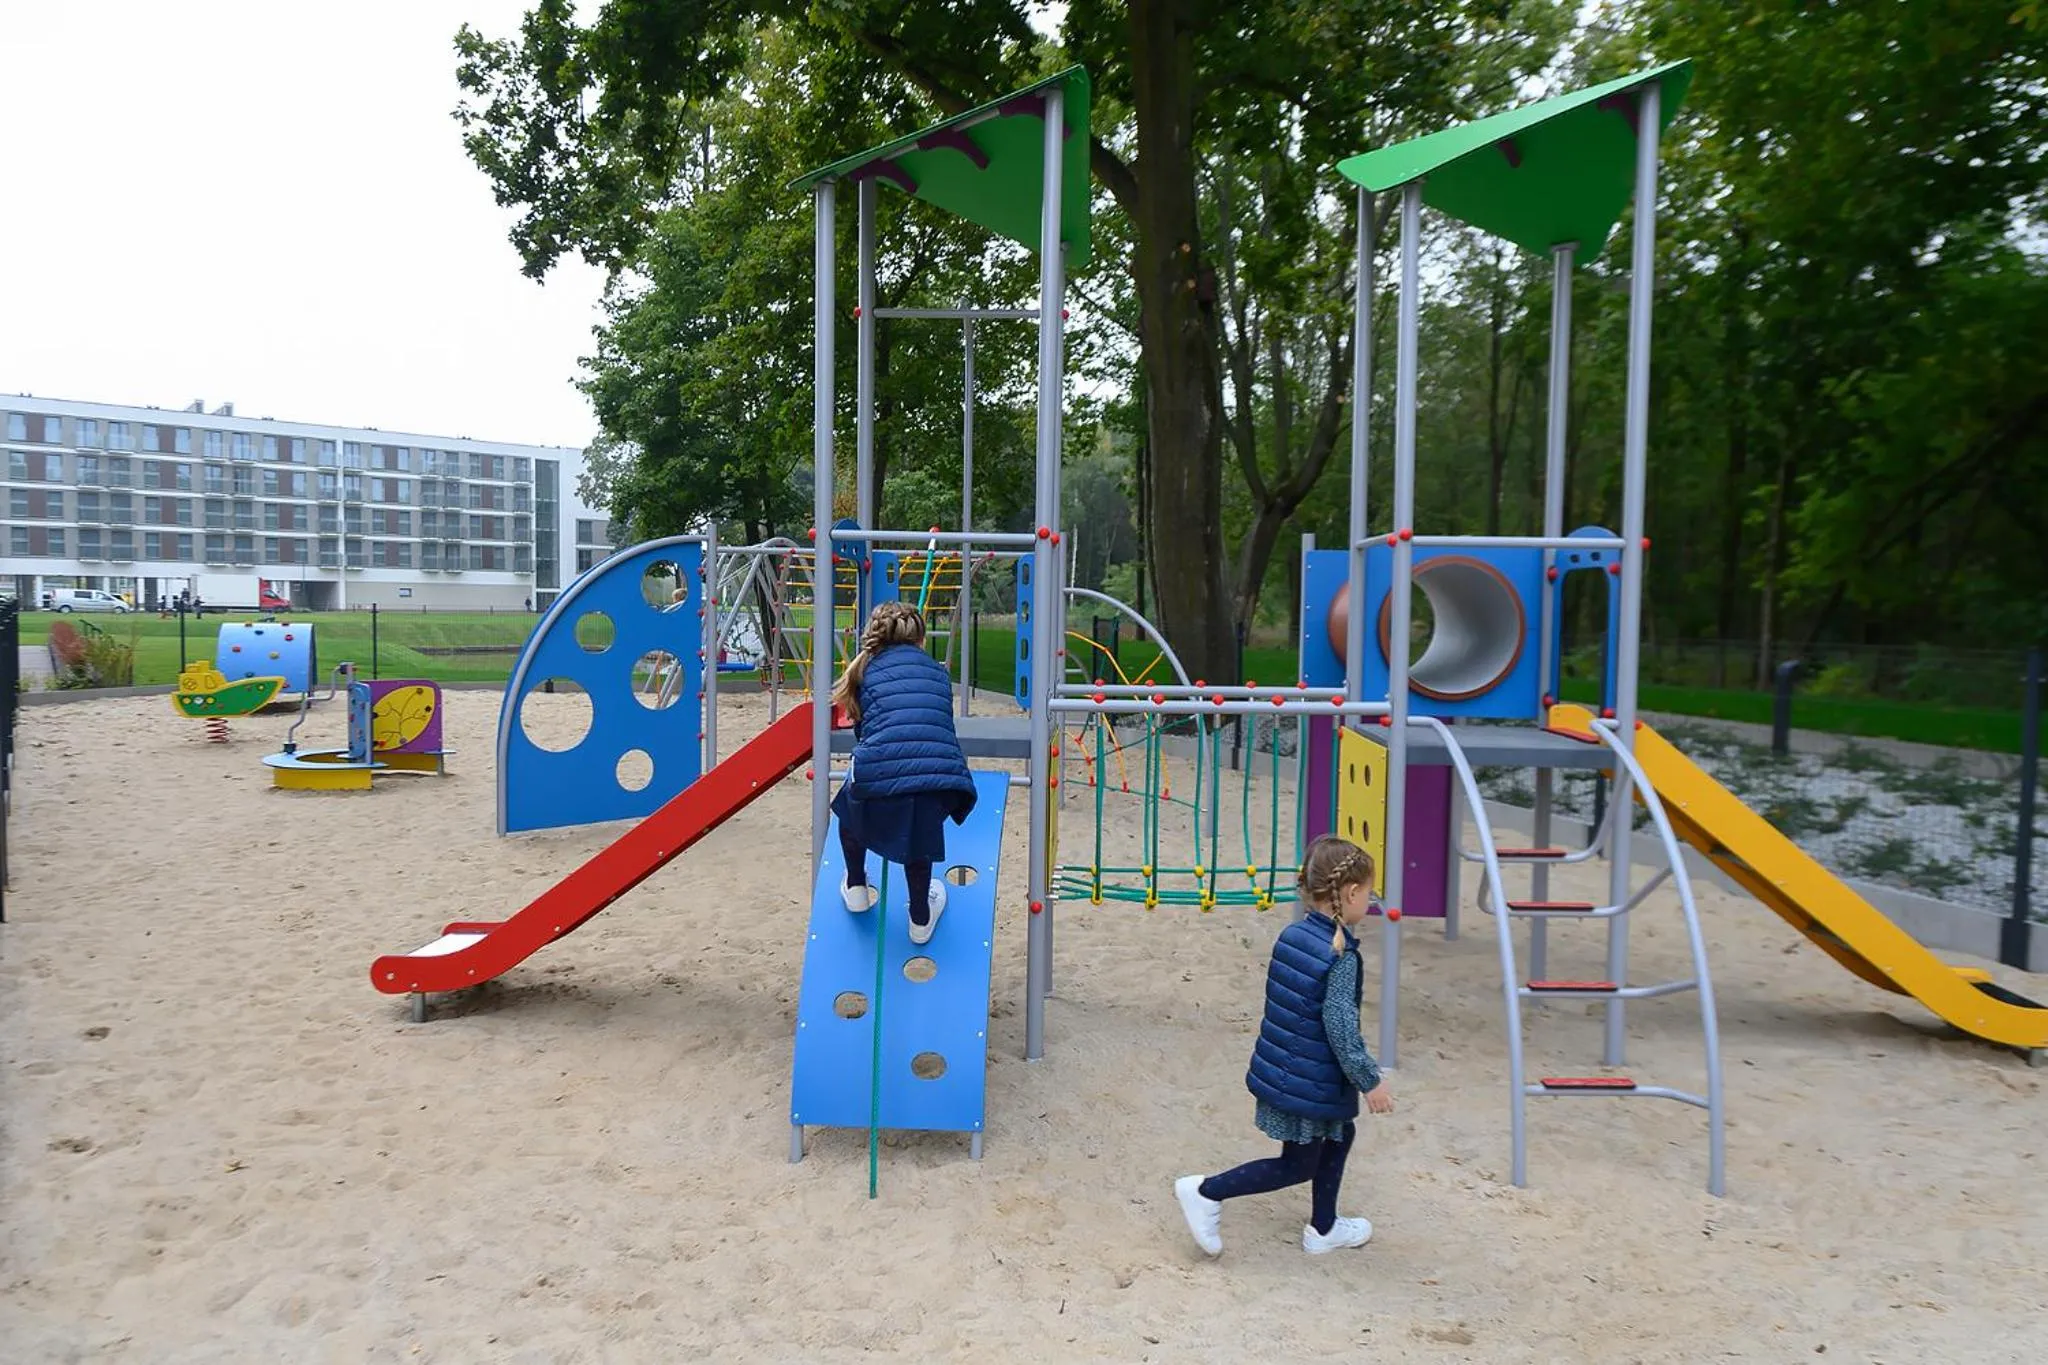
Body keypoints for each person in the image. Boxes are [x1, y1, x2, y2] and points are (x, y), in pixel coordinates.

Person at [1175, 835, 1395, 1257]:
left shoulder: (1294, 935)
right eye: (1368, 892)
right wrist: (1371, 1081)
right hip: (1307, 1078)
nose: (1369, 901)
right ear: (1350, 893)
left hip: (1288, 1068)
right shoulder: (1340, 956)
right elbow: (1342, 1030)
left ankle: (1325, 1228)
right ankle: (1205, 1191)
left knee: (1338, 1134)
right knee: (1297, 1164)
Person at [829, 601, 977, 946]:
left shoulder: (865, 670)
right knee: (919, 834)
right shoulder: (938, 672)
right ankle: (920, 919)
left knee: (849, 808)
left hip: (883, 778)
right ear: (920, 639)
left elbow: (865, 731)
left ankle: (855, 886)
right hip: (942, 780)